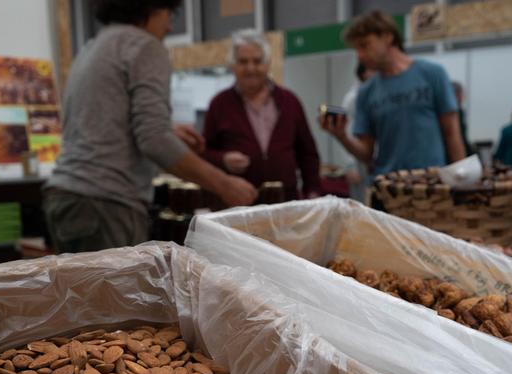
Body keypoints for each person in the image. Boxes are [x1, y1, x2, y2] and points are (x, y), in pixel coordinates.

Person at [44, 0, 256, 254]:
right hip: (107, 204)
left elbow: (97, 121)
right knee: (118, 294)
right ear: (149, 8)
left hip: (66, 199)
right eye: (168, 13)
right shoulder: (145, 47)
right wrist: (225, 185)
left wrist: (169, 130)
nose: (169, 26)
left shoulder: (93, 47)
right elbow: (154, 140)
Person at [320, 10, 466, 176]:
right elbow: (366, 153)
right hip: (389, 188)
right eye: (356, 49)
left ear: (388, 37)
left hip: (430, 185)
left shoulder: (432, 74)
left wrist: (462, 179)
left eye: (364, 45)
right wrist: (341, 136)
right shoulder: (366, 92)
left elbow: (452, 133)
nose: (359, 55)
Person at [201, 30, 321, 202]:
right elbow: (204, 153)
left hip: (285, 201)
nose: (251, 68)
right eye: (243, 62)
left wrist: (313, 192)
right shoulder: (219, 104)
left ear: (268, 64)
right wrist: (223, 159)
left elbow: (308, 153)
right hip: (239, 203)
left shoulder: (290, 101)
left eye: (257, 61)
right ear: (233, 65)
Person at [340, 62, 376, 203]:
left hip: (374, 162)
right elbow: (346, 132)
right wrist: (350, 166)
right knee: (361, 206)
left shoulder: (376, 93)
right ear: (363, 73)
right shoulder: (353, 98)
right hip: (358, 161)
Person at [452, 81, 474, 156]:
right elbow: (460, 136)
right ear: (457, 94)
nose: (463, 97)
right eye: (462, 94)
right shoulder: (457, 112)